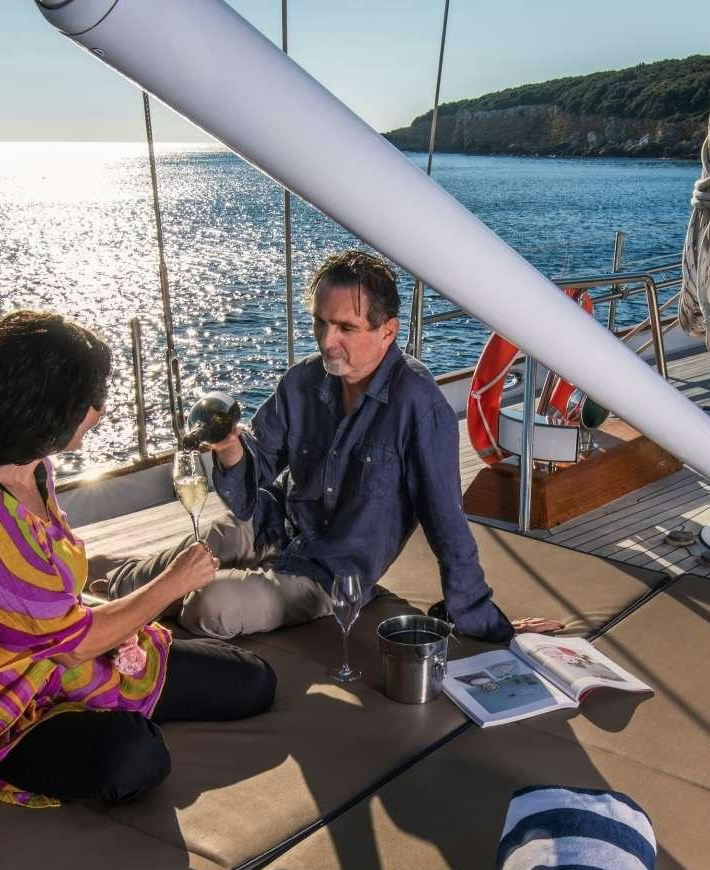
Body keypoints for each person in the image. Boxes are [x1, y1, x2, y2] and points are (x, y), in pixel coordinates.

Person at [0, 310, 275, 808]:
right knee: (134, 757)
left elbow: (57, 611)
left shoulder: (31, 469)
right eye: (92, 399)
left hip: (67, 669)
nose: (99, 412)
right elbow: (73, 645)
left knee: (252, 680)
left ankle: (99, 710)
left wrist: (121, 634)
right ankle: (85, 727)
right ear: (46, 401)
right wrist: (174, 582)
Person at [101, 249, 561, 642]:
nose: (327, 340)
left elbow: (447, 525)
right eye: (320, 323)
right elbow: (254, 475)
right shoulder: (301, 381)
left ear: (388, 330)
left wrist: (484, 622)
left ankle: (133, 603)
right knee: (202, 545)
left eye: (345, 327)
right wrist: (228, 449)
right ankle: (91, 587)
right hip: (274, 524)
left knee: (211, 604)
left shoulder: (420, 407)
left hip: (329, 574)